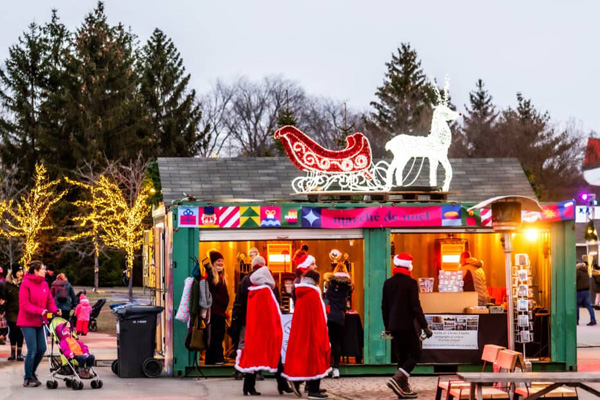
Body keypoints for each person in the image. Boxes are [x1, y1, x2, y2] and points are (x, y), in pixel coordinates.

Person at [232, 256, 292, 396]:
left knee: (251, 351)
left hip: (249, 324)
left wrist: (237, 319)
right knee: (274, 351)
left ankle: (248, 385)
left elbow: (239, 301)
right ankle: (281, 383)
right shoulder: (267, 287)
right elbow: (274, 305)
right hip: (265, 326)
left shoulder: (247, 282)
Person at [382, 253, 432, 399]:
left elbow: (384, 307)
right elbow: (416, 307)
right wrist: (425, 326)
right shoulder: (410, 283)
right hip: (407, 325)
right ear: (408, 266)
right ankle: (397, 378)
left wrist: (387, 327)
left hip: (393, 325)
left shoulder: (388, 283)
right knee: (415, 353)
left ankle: (403, 389)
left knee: (402, 356)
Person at [283, 269, 330, 399]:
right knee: (317, 358)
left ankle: (301, 382)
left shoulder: (302, 292)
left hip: (303, 331)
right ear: (316, 281)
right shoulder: (313, 293)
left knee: (306, 358)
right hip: (314, 331)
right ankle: (313, 390)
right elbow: (319, 315)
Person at [18, 260, 61, 387]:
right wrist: (39, 310)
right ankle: (28, 377)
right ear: (35, 271)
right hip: (27, 321)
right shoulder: (26, 284)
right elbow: (24, 304)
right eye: (42, 269)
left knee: (42, 349)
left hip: (41, 321)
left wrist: (55, 310)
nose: (44, 271)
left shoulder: (44, 284)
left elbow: (50, 301)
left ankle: (32, 372)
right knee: (32, 350)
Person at [323, 262, 353, 379]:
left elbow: (326, 298)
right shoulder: (348, 286)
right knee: (337, 343)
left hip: (329, 316)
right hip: (340, 317)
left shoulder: (329, 283)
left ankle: (325, 367)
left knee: (327, 342)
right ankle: (336, 368)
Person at [206, 250, 230, 365]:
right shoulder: (211, 276)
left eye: (222, 261)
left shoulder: (221, 276)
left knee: (218, 335)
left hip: (220, 312)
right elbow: (212, 296)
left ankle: (214, 359)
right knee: (217, 335)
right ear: (213, 263)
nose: (220, 263)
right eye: (218, 261)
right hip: (215, 312)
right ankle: (217, 359)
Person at [0, 264, 24, 360]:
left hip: (22, 311)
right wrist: (2, 310)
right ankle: (12, 352)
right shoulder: (7, 284)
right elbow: (3, 298)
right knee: (13, 331)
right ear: (14, 272)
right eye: (19, 271)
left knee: (20, 332)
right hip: (11, 311)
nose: (21, 273)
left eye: (22, 271)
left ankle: (19, 353)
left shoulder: (24, 283)